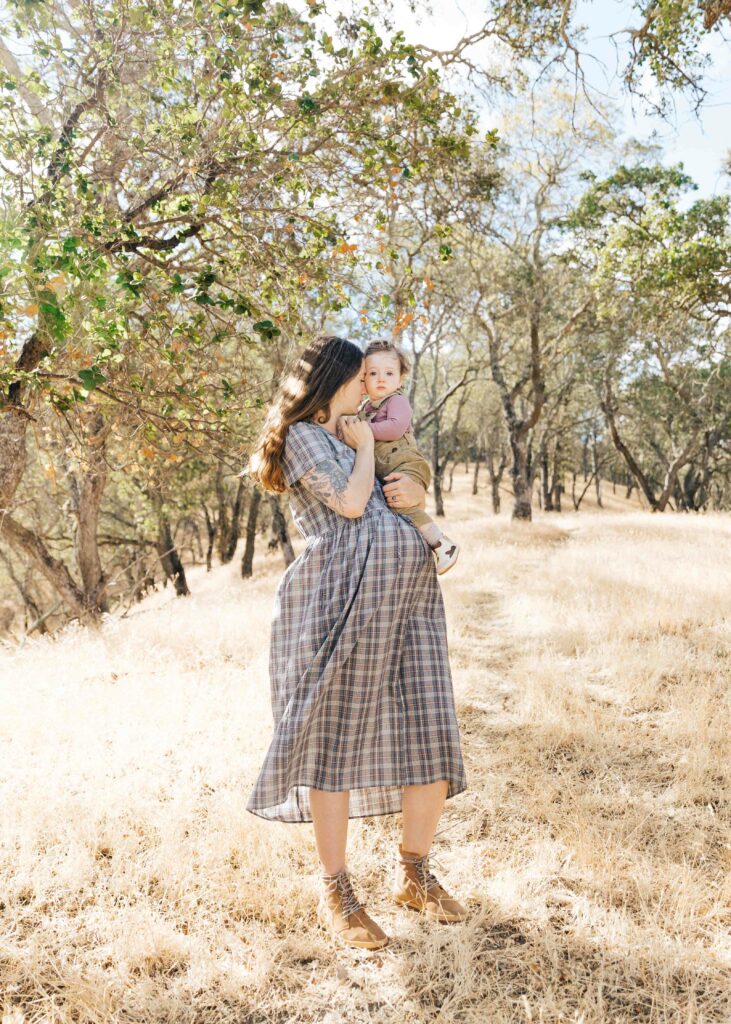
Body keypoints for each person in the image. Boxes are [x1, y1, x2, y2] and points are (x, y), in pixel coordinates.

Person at [245, 335, 469, 951]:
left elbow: (398, 489)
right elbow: (349, 504)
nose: (369, 385)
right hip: (341, 602)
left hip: (411, 600)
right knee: (335, 742)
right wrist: (366, 445)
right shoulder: (304, 437)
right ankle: (337, 891)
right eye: (358, 377)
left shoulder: (361, 426)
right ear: (334, 381)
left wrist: (418, 490)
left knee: (428, 729)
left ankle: (416, 875)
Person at [347, 339, 459, 575]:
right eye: (373, 373)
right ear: (363, 380)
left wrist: (363, 433)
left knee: (402, 505)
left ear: (400, 379)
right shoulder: (365, 409)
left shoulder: (397, 401)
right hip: (390, 469)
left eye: (389, 373)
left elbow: (395, 428)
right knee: (399, 507)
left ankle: (442, 544)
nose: (380, 379)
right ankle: (426, 550)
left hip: (407, 463)